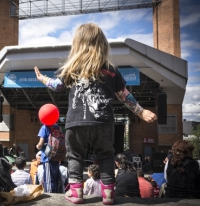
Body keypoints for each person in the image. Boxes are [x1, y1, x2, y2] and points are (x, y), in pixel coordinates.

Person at [34, 23, 157, 204]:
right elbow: (124, 95)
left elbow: (57, 85)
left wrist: (42, 78)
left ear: (77, 44)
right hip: (103, 122)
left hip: (76, 122)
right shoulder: (110, 69)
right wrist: (140, 111)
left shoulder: (72, 68)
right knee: (106, 154)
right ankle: (108, 194)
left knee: (75, 155)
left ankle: (76, 193)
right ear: (102, 44)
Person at [36, 123, 61, 193]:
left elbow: (40, 144)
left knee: (48, 179)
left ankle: (50, 194)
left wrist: (37, 146)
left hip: (47, 157)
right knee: (55, 177)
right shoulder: (57, 127)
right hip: (56, 156)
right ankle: (56, 192)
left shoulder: (44, 128)